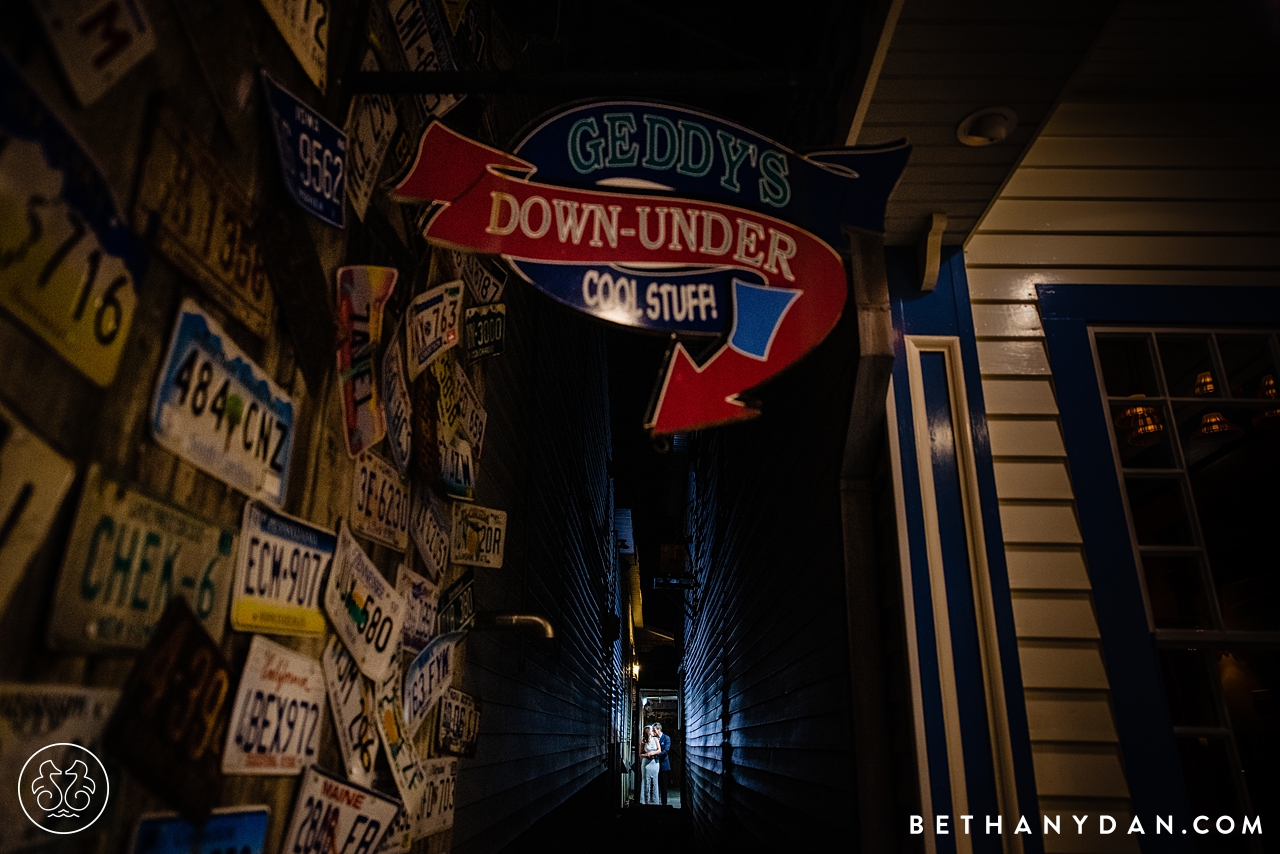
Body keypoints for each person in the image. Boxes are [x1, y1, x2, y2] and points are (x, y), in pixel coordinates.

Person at [640, 725, 661, 804]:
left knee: (654, 782)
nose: (653, 731)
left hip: (654, 763)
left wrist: (653, 753)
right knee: (646, 781)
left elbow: (659, 750)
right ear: (648, 732)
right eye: (652, 730)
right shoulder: (643, 741)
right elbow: (640, 754)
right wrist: (647, 755)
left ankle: (654, 802)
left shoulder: (655, 739)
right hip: (646, 764)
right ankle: (645, 801)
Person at [653, 722, 672, 805]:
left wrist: (655, 754)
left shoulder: (666, 738)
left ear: (659, 729)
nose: (653, 732)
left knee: (663, 786)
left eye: (654, 730)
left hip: (663, 765)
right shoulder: (654, 738)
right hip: (654, 764)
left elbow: (666, 750)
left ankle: (664, 804)